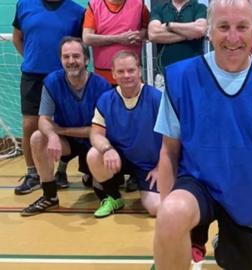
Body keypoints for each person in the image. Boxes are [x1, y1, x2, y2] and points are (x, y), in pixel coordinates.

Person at [152, 0, 252, 269]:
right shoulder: (181, 78)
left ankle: (223, 244)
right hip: (198, 185)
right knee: (172, 214)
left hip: (250, 192)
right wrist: (170, 224)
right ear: (209, 30)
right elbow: (168, 151)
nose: (233, 37)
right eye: (223, 27)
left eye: (242, 27)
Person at [20, 37, 111, 216]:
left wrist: (60, 130)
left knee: (100, 190)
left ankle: (95, 179)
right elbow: (44, 119)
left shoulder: (102, 86)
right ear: (61, 60)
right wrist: (53, 136)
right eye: (66, 57)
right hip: (67, 143)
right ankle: (50, 196)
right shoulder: (52, 82)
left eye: (76, 56)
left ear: (86, 59)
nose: (71, 61)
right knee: (38, 137)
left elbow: (99, 130)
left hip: (93, 142)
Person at [11, 0, 84, 195]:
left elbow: (79, 46)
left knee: (62, 124)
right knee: (30, 125)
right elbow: (17, 37)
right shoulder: (24, 5)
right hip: (32, 76)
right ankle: (32, 173)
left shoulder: (77, 11)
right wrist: (31, 58)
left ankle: (61, 171)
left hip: (63, 78)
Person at [87, 51, 162, 218]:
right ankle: (114, 198)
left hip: (149, 164)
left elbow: (173, 139)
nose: (126, 75)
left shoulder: (157, 98)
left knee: (156, 209)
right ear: (113, 73)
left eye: (131, 70)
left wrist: (161, 167)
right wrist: (107, 149)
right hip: (119, 159)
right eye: (120, 71)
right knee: (94, 155)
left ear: (139, 71)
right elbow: (95, 135)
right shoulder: (106, 100)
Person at [83, 0, 149, 85]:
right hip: (104, 78)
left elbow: (149, 30)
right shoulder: (94, 5)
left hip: (132, 76)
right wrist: (118, 39)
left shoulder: (139, 4)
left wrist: (140, 35)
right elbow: (87, 38)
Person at [148, 0, 208, 74]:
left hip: (194, 72)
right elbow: (153, 34)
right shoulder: (159, 9)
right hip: (165, 73)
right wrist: (189, 35)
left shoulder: (200, 8)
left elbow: (200, 30)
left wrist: (169, 25)